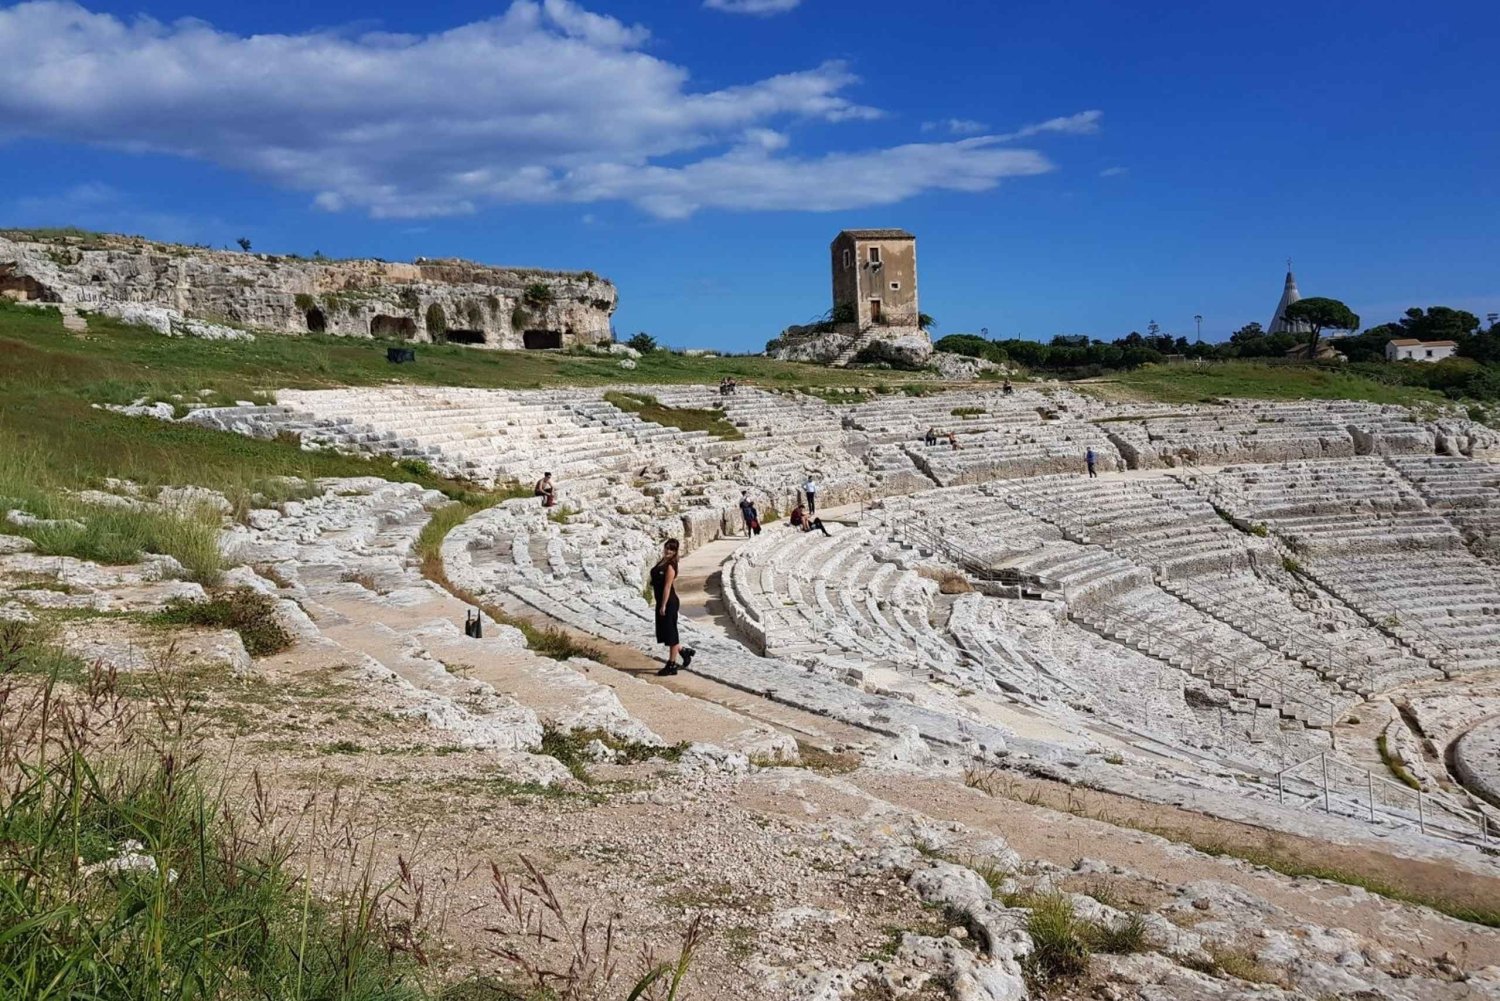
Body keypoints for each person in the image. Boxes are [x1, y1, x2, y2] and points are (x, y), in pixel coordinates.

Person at [650, 539, 694, 676]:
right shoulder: (662, 561)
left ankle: (671, 665)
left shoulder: (670, 566)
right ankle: (683, 651)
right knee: (665, 632)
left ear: (675, 552)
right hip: (661, 601)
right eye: (667, 548)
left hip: (669, 602)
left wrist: (663, 605)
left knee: (671, 633)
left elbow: (667, 587)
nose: (668, 551)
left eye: (672, 549)